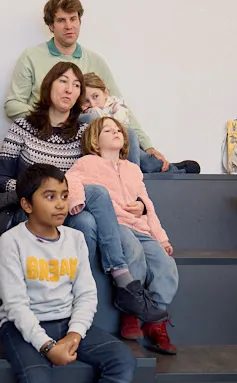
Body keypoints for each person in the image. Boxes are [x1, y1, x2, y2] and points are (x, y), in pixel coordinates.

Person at [0, 164, 137, 383]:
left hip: (69, 325)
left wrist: (74, 334)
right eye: (50, 197)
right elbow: (15, 305)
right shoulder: (11, 241)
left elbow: (86, 294)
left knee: (122, 360)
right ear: (27, 204)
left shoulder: (74, 238)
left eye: (63, 196)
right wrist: (47, 347)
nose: (61, 204)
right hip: (23, 328)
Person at [0, 62, 165, 324]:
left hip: (67, 209)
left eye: (76, 85)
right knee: (90, 203)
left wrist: (139, 202)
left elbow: (105, 172)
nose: (69, 89)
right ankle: (122, 278)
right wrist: (41, 191)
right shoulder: (22, 126)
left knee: (86, 212)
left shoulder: (84, 133)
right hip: (29, 208)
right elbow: (1, 179)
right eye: (63, 81)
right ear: (49, 85)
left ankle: (90, 299)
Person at [5, 0, 185, 174]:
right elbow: (12, 105)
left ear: (80, 21)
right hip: (53, 136)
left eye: (73, 19)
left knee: (124, 130)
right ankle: (165, 169)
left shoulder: (95, 60)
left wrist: (148, 146)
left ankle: (149, 170)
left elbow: (120, 105)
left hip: (93, 137)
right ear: (51, 26)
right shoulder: (31, 56)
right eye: (61, 20)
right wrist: (52, 117)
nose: (69, 26)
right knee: (92, 119)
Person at [65, 117, 180, 354]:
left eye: (118, 130)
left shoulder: (133, 169)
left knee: (166, 265)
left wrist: (161, 237)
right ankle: (130, 311)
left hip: (141, 226)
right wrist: (76, 202)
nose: (116, 132)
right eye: (107, 130)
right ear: (95, 143)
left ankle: (155, 321)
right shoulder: (87, 162)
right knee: (134, 253)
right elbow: (71, 180)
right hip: (114, 224)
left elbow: (147, 203)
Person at [81, 73, 199, 174]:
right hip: (109, 154)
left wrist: (99, 114)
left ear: (106, 93)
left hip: (124, 147)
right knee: (145, 161)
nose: (92, 104)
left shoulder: (116, 106)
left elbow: (119, 128)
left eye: (95, 97)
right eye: (86, 101)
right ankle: (171, 169)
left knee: (143, 157)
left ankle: (171, 169)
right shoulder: (86, 115)